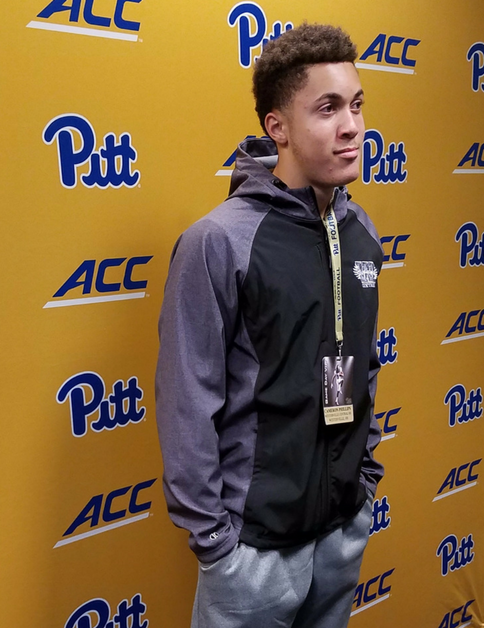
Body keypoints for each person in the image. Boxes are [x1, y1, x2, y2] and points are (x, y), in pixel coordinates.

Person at [154, 23, 386, 628]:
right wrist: (217, 542)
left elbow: (363, 364)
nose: (352, 126)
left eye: (357, 104)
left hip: (340, 530)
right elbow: (186, 398)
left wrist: (361, 482)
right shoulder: (219, 242)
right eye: (328, 108)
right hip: (252, 551)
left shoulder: (361, 233)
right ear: (277, 127)